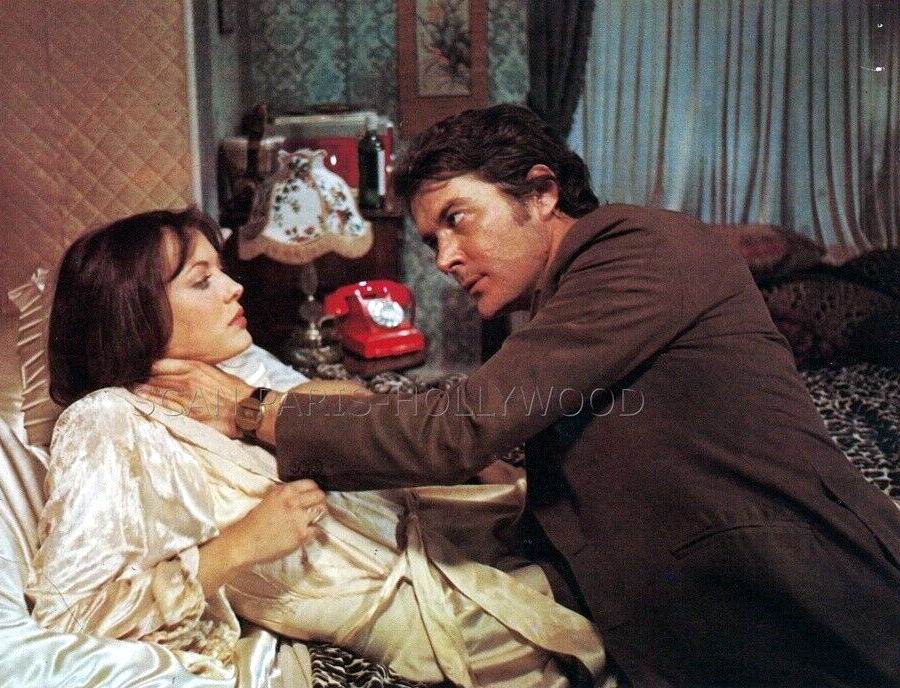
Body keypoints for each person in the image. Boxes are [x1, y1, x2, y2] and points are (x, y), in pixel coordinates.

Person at [145, 105, 900, 687]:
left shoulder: (638, 251)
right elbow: (508, 424)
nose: (446, 258)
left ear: (540, 193)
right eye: (432, 240)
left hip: (794, 593)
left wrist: (252, 409)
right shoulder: (558, 297)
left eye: (457, 220)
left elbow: (459, 428)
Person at [27, 207, 606, 688]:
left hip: (437, 532)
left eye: (221, 272)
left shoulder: (233, 363)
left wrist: (259, 402)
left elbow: (351, 402)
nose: (234, 287)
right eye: (203, 281)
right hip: (409, 609)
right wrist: (235, 549)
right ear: (133, 311)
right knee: (599, 630)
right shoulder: (106, 421)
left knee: (599, 536)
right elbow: (71, 614)